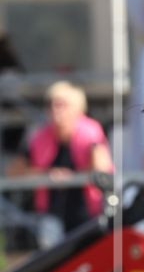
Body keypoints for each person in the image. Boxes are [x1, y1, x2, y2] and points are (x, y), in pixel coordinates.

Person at [7, 81, 113, 234]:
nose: (54, 110)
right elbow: (14, 171)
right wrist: (47, 174)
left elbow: (101, 168)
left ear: (77, 108)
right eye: (50, 105)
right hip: (50, 215)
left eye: (61, 105)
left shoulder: (91, 131)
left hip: (88, 213)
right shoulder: (40, 136)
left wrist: (71, 177)